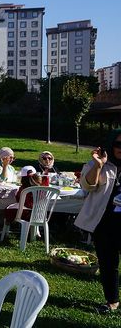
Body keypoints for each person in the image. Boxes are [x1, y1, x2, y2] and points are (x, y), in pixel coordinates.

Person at [74, 129, 121, 314]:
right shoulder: (102, 164)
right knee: (108, 263)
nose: (120, 149)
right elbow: (88, 186)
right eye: (118, 144)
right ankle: (112, 301)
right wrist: (98, 165)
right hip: (104, 223)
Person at [2, 166, 42, 235]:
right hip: (39, 213)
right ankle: (33, 231)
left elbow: (18, 199)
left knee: (7, 209)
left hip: (25, 214)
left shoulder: (23, 189)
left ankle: (6, 229)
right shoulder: (41, 189)